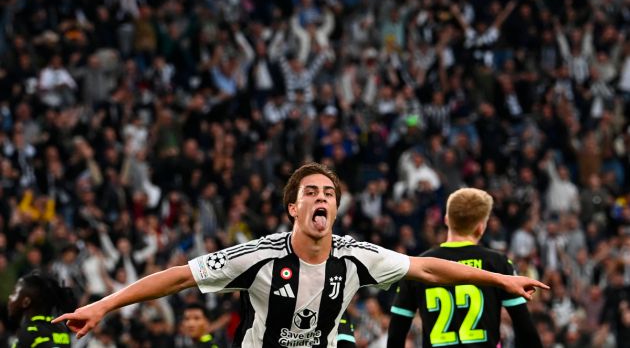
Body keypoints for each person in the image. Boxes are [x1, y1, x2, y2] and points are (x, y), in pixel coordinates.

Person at [54, 163, 548, 347]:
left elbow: (425, 266)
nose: (321, 199)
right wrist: (101, 306)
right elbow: (179, 277)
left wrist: (502, 282)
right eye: (311, 192)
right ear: (293, 206)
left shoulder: (357, 255)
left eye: (329, 193)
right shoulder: (259, 256)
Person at [386, 188, 543, 347]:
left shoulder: (419, 265)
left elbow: (396, 334)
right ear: (481, 227)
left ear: (447, 220)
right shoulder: (497, 263)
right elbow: (526, 330)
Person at [8, 271, 75, 348]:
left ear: (26, 302)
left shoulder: (31, 332)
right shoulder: (61, 329)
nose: (10, 297)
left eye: (14, 293)